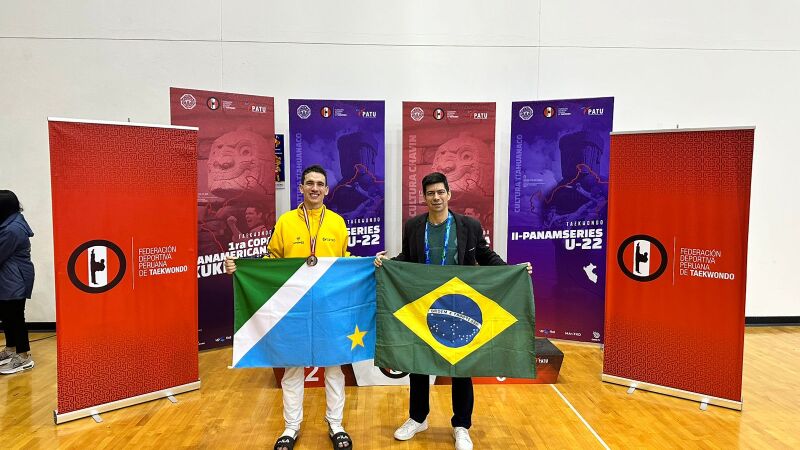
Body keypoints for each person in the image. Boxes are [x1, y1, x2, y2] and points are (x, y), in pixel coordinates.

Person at [375, 172, 532, 450]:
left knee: (461, 366)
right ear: (424, 198)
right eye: (430, 193)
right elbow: (406, 260)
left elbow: (485, 256)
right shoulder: (413, 226)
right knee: (417, 363)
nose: (436, 198)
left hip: (459, 305)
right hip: (422, 306)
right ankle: (417, 417)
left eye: (440, 192)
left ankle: (461, 425)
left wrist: (513, 270)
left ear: (449, 194)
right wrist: (385, 264)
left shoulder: (468, 225)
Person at [224, 165, 352, 450]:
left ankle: (336, 424)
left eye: (320, 184)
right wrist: (241, 268)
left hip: (328, 307)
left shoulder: (337, 222)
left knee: (333, 368)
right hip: (293, 307)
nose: (315, 188)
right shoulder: (285, 222)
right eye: (310, 183)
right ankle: (291, 427)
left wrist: (370, 266)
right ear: (301, 188)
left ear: (327, 189)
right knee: (293, 368)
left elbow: (345, 261)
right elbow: (272, 260)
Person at [0, 190, 35, 375]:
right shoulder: (10, 222)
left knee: (15, 317)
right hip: (7, 278)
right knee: (7, 316)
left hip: (14, 279)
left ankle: (23, 357)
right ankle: (11, 350)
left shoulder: (12, 229)